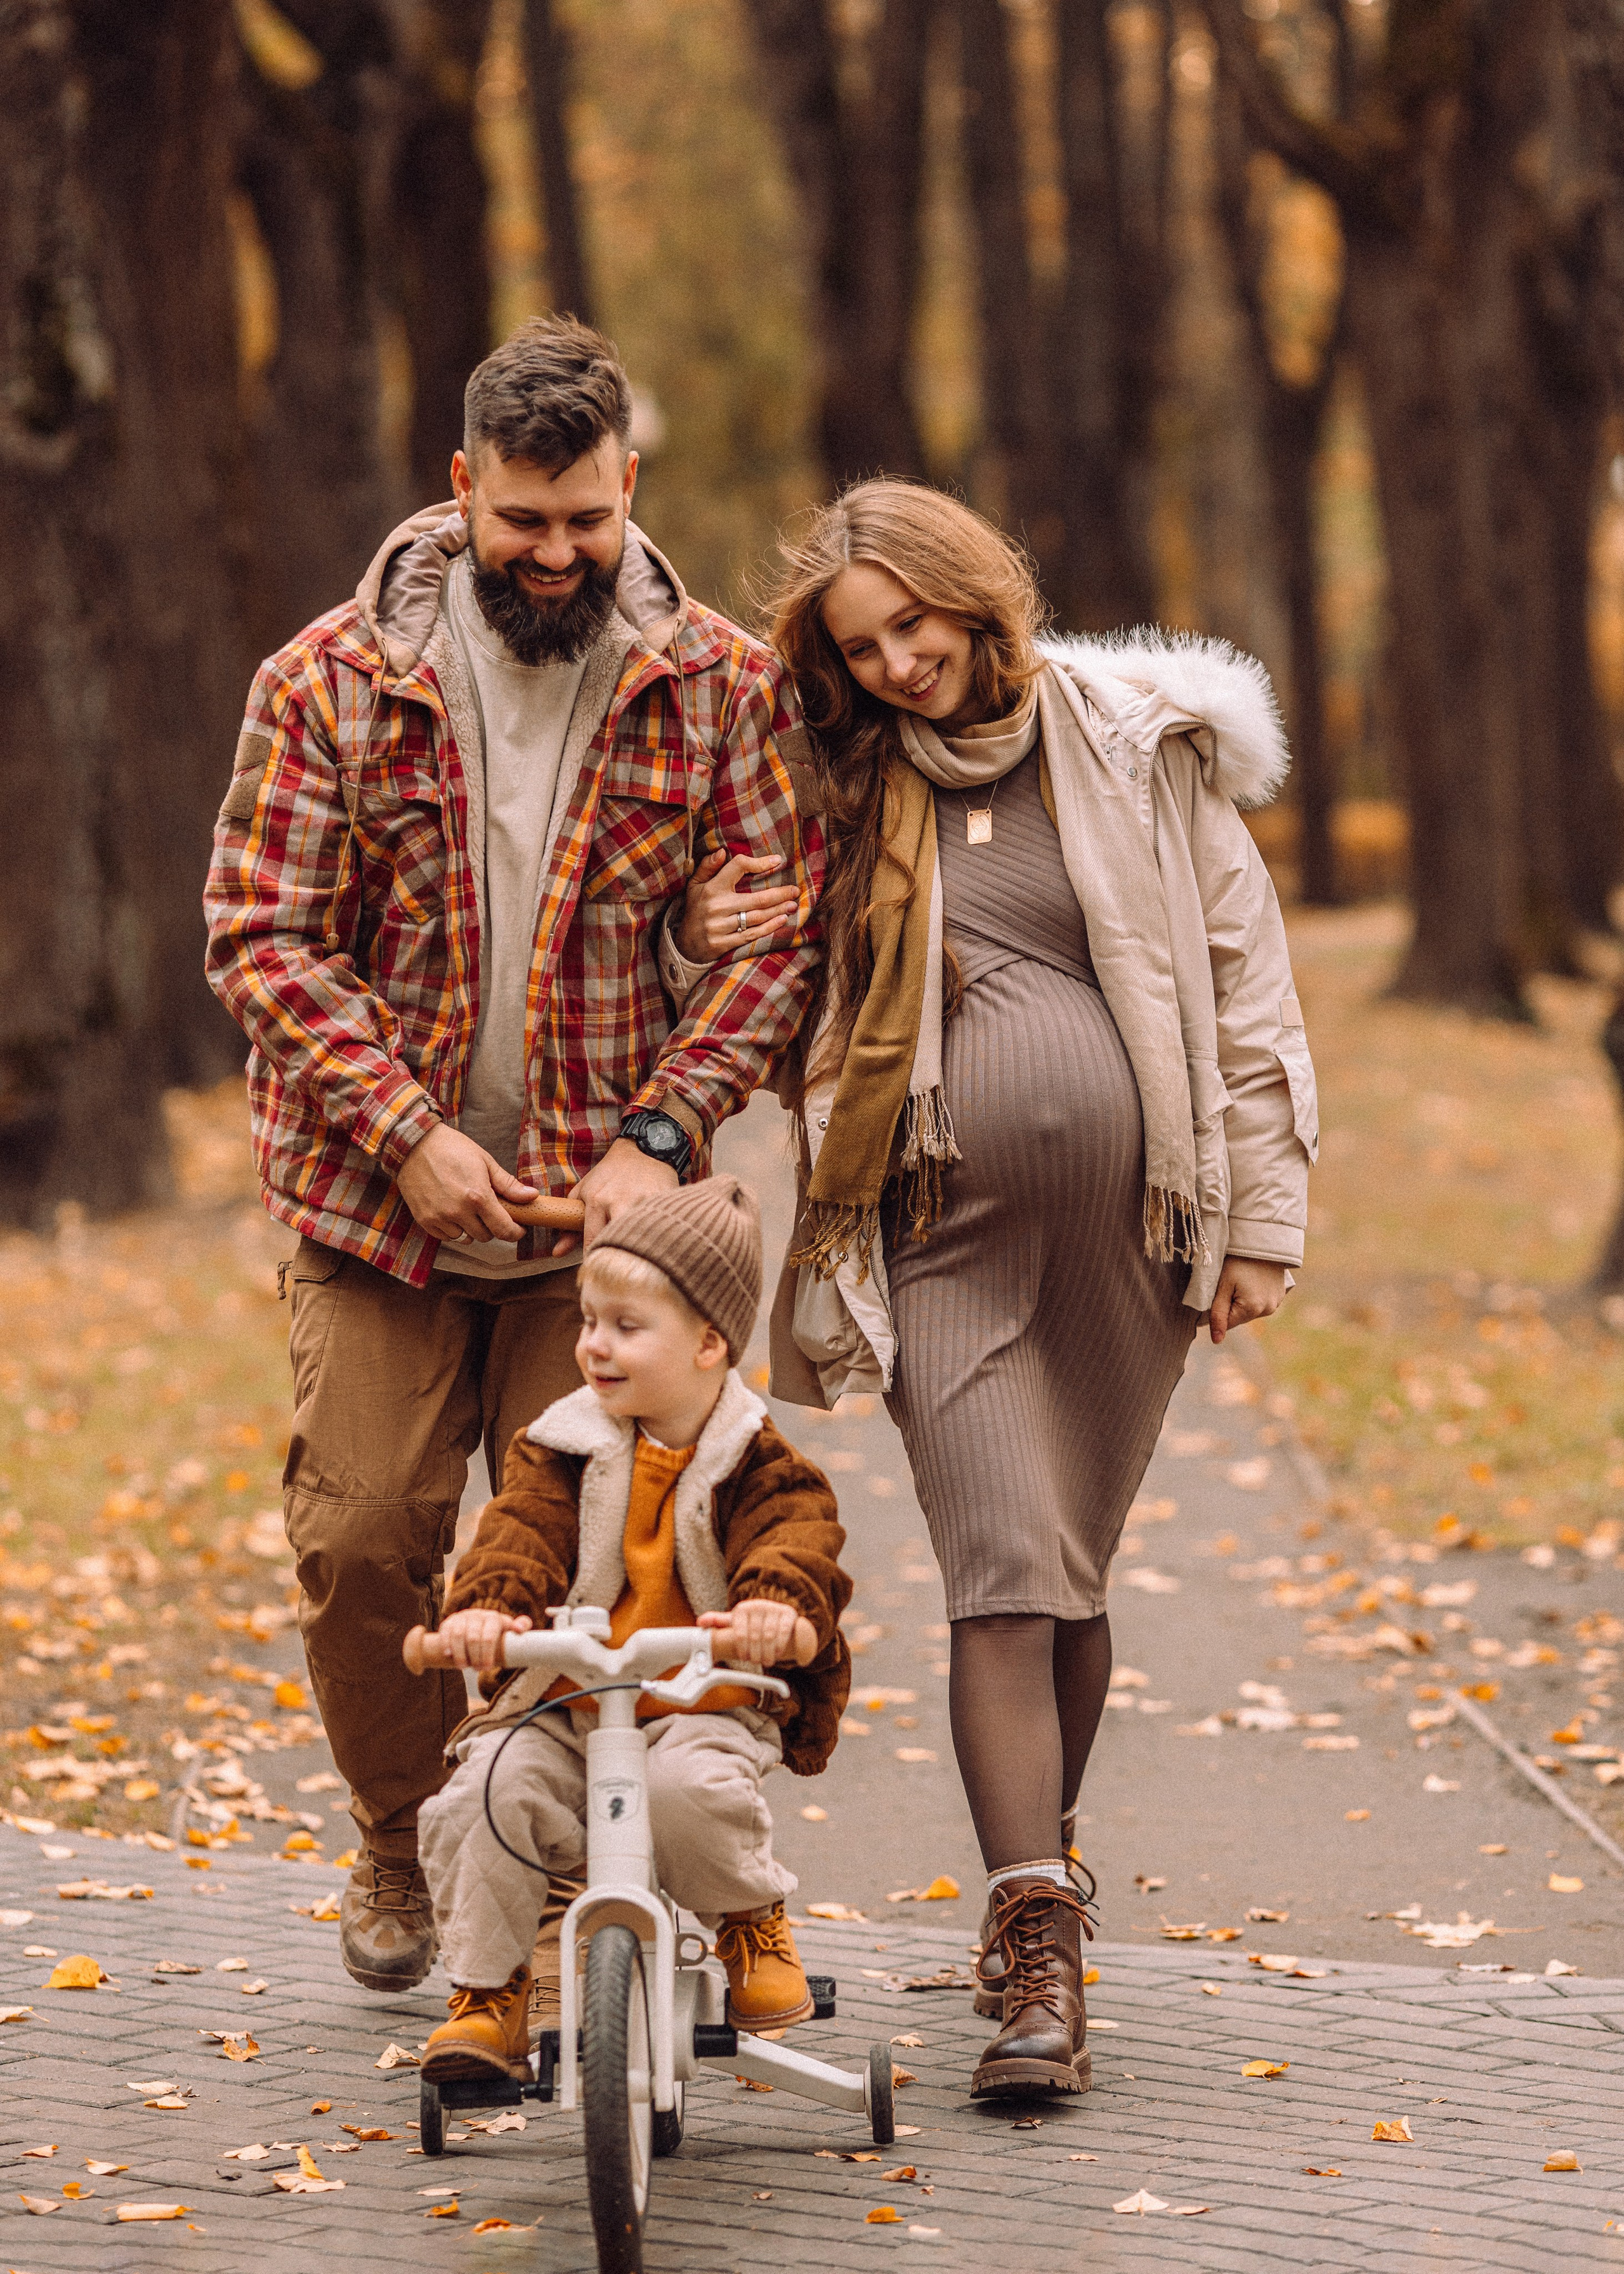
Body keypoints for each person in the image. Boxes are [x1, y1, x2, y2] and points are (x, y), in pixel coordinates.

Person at [672, 481, 1318, 2100]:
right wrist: (705, 941)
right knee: (1001, 1577)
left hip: (1131, 1237)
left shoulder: (1131, 747)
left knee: (1070, 1572)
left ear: (976, 598)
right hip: (933, 1229)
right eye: (862, 645)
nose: (897, 664)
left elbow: (1242, 980)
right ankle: (1039, 1955)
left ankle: (1042, 1866)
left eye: (915, 626)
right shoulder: (839, 786)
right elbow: (767, 978)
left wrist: (1259, 1223)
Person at [203, 318, 821, 1995]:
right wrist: (403, 1137)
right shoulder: (327, 678)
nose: (553, 556)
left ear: (633, 493)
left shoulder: (722, 691)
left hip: (606, 1235)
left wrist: (661, 1136)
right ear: (461, 489)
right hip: (375, 1209)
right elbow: (261, 933)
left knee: (618, 1558)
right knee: (364, 1540)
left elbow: (775, 946)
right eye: (521, 522)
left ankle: (560, 1861)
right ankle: (402, 1821)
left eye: (586, 523)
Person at [412, 1176, 851, 2081]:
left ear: (709, 1345)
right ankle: (488, 1993)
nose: (593, 1347)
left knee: (689, 1790)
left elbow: (796, 1544)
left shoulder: (759, 1461)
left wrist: (777, 1611)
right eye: (588, 1321)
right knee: (482, 1796)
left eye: (625, 1326)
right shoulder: (560, 1444)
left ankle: (746, 1921)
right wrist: (488, 1610)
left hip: (699, 1701)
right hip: (569, 1708)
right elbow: (519, 1531)